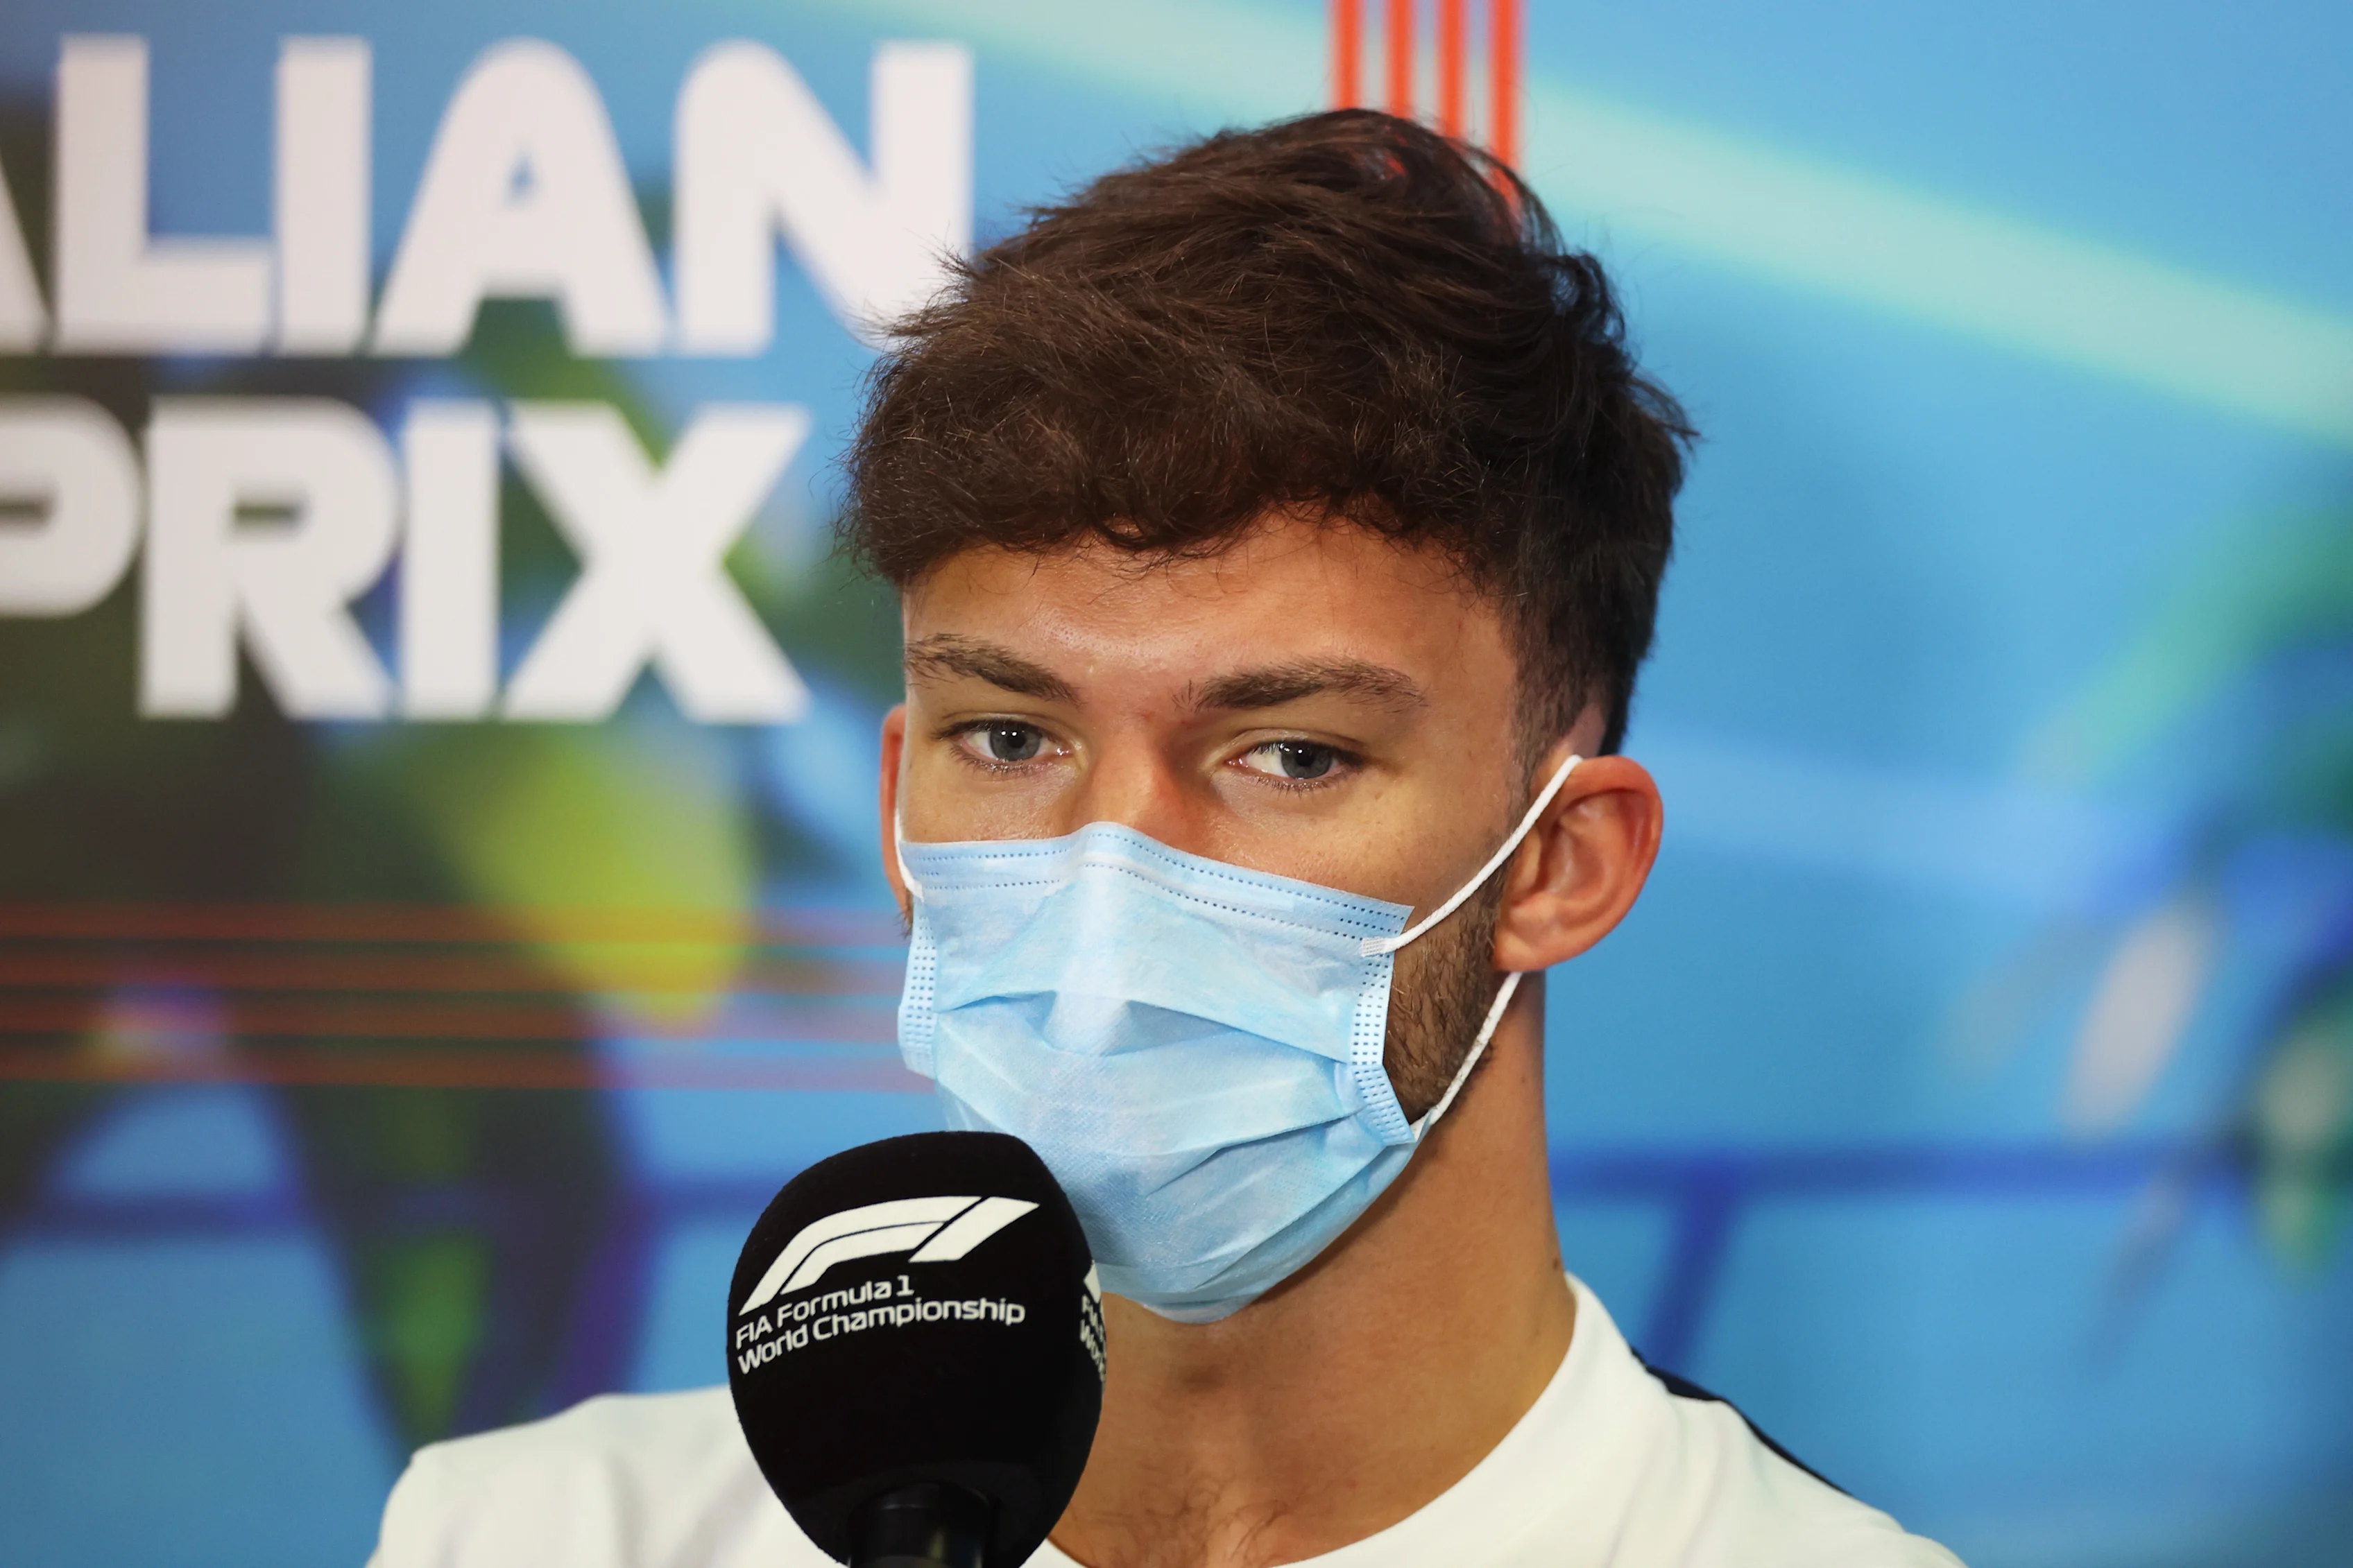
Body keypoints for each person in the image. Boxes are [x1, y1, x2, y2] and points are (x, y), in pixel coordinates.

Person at [368, 110, 1962, 1568]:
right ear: (894, 799)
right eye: (1008, 736)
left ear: (1562, 862)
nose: (1107, 872)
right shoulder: (530, 1538)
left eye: (1289, 751)